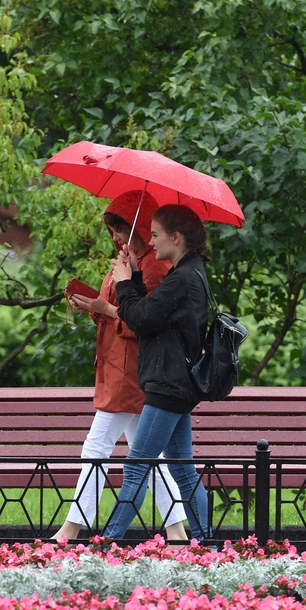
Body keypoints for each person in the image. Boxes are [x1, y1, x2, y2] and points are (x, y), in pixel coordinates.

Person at [51, 191, 188, 543]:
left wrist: (109, 305)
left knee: (96, 448)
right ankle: (176, 531)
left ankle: (71, 529)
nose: (114, 236)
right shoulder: (130, 261)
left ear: (139, 227)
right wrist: (95, 306)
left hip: (131, 373)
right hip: (117, 368)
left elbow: (143, 323)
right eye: (111, 229)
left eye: (120, 228)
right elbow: (119, 311)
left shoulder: (154, 267)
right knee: (149, 456)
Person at [101, 204, 212, 543]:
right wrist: (133, 276)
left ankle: (109, 543)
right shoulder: (191, 273)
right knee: (181, 469)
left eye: (157, 234)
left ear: (176, 238)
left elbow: (142, 318)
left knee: (137, 466)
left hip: (168, 384)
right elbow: (151, 314)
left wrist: (123, 283)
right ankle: (206, 543)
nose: (151, 240)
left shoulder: (181, 279)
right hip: (177, 384)